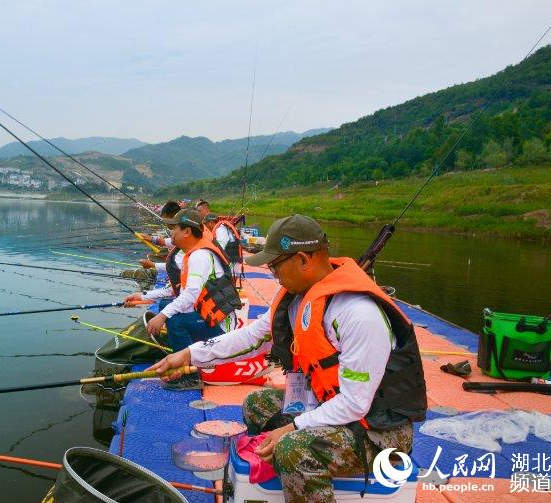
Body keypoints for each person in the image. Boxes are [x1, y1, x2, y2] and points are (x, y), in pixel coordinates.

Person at [148, 214, 427, 502]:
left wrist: (292, 428)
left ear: (304, 259)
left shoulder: (358, 314)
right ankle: (282, 487)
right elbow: (252, 337)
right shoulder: (297, 298)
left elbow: (355, 403)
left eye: (275, 265)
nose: (273, 273)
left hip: (377, 432)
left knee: (293, 448)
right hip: (329, 406)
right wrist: (188, 354)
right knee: (257, 404)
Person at [124, 208, 242, 389]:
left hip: (221, 327)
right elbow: (175, 291)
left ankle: (189, 376)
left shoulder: (200, 256)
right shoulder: (192, 253)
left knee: (175, 320)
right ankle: (182, 353)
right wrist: (142, 295)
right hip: (211, 318)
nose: (171, 234)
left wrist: (162, 316)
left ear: (187, 231)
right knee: (167, 306)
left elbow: (190, 295)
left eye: (174, 229)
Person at [203, 213, 243, 280]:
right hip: (231, 263)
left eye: (205, 224)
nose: (204, 227)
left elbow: (219, 250)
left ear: (211, 223)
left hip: (231, 266)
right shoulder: (222, 228)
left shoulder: (220, 231)